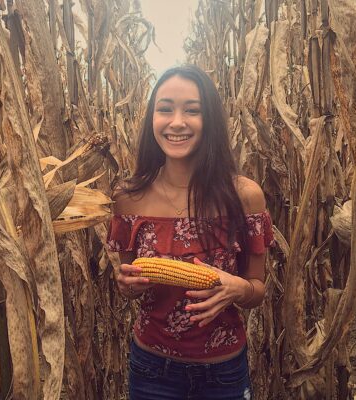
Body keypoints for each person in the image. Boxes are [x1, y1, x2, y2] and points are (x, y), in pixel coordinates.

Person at [107, 65, 274, 400]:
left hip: (223, 372)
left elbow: (258, 290)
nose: (177, 122)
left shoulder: (244, 196)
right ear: (152, 119)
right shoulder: (128, 198)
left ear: (209, 120)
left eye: (192, 111)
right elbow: (130, 288)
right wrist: (127, 285)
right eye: (165, 109)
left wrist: (236, 288)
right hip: (153, 368)